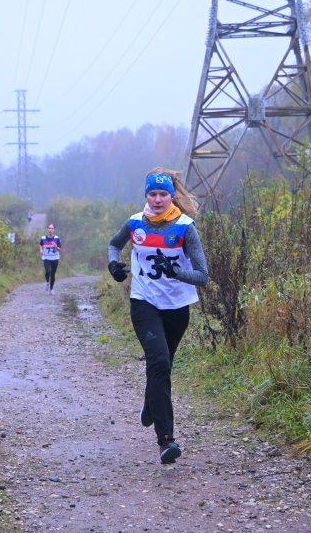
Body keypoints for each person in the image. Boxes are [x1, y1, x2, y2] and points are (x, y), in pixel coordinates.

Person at [107, 168, 208, 464]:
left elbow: (202, 275)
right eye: (152, 194)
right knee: (159, 362)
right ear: (146, 195)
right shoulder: (135, 223)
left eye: (163, 194)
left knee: (163, 367)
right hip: (144, 303)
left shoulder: (185, 227)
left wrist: (176, 272)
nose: (158, 199)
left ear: (171, 196)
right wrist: (114, 265)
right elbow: (114, 244)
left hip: (177, 308)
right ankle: (166, 441)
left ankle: (151, 404)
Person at [39, 223, 62, 295]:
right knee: (48, 271)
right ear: (47, 229)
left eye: (52, 228)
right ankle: (47, 282)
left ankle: (51, 289)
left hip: (55, 258)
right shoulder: (43, 238)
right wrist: (41, 250)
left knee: (53, 274)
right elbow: (41, 244)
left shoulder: (57, 238)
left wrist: (55, 246)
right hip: (46, 257)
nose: (50, 230)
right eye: (49, 228)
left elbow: (59, 249)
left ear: (54, 229)